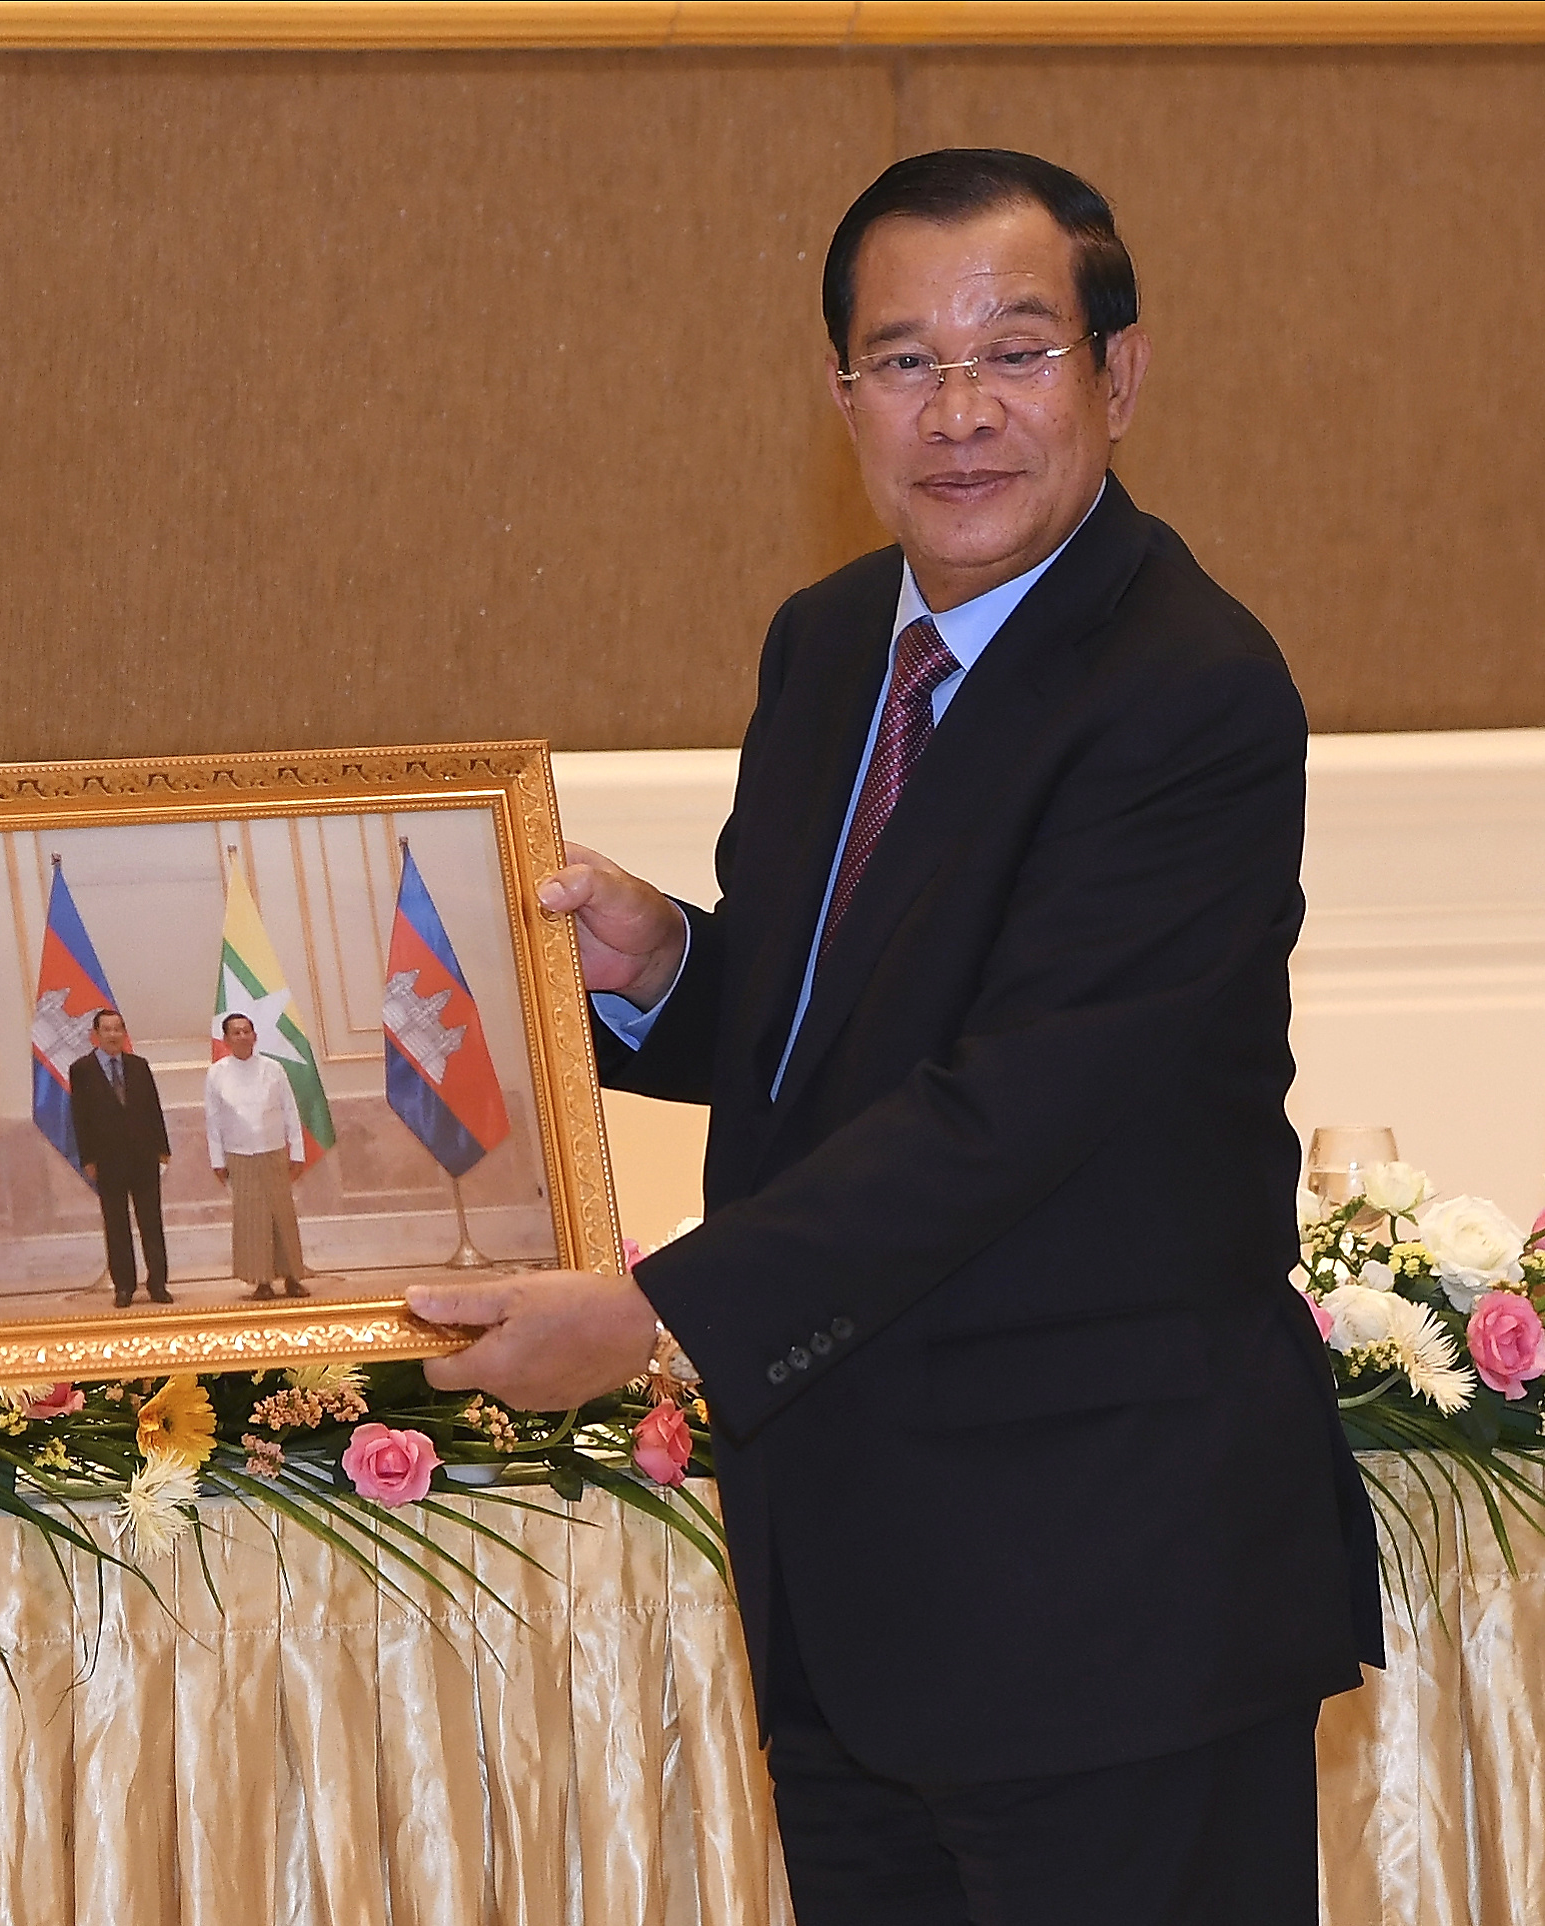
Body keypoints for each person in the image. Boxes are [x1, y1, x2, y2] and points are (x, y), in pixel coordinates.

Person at [412, 151, 1379, 1923]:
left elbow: (1006, 1106)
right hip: (854, 1594)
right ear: (838, 393)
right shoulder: (829, 643)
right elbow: (840, 1028)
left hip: (1107, 1614)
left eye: (1014, 352)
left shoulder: (1187, 691)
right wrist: (660, 973)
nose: (959, 413)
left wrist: (653, 1312)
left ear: (1119, 375)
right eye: (903, 361)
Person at [68, 1007, 172, 1305]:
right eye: (107, 1029)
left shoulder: (139, 1065)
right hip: (107, 1159)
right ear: (96, 1035)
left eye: (118, 1029)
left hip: (143, 1156)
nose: (113, 1034)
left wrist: (162, 1148)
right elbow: (80, 1117)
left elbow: (153, 1108)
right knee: (116, 1223)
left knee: (151, 1221)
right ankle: (124, 1286)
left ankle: (158, 1283)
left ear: (124, 1033)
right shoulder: (82, 1069)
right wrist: (88, 1157)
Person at [204, 1012, 310, 1300]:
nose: (242, 1037)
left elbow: (290, 1111)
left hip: (273, 1151)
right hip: (239, 1155)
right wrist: (218, 1161)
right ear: (226, 1040)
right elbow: (213, 1121)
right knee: (252, 1220)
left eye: (246, 1031)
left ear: (255, 1035)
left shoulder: (273, 1068)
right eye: (235, 1033)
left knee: (282, 1216)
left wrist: (297, 1151)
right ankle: (261, 1281)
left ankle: (292, 1278)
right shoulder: (216, 1073)